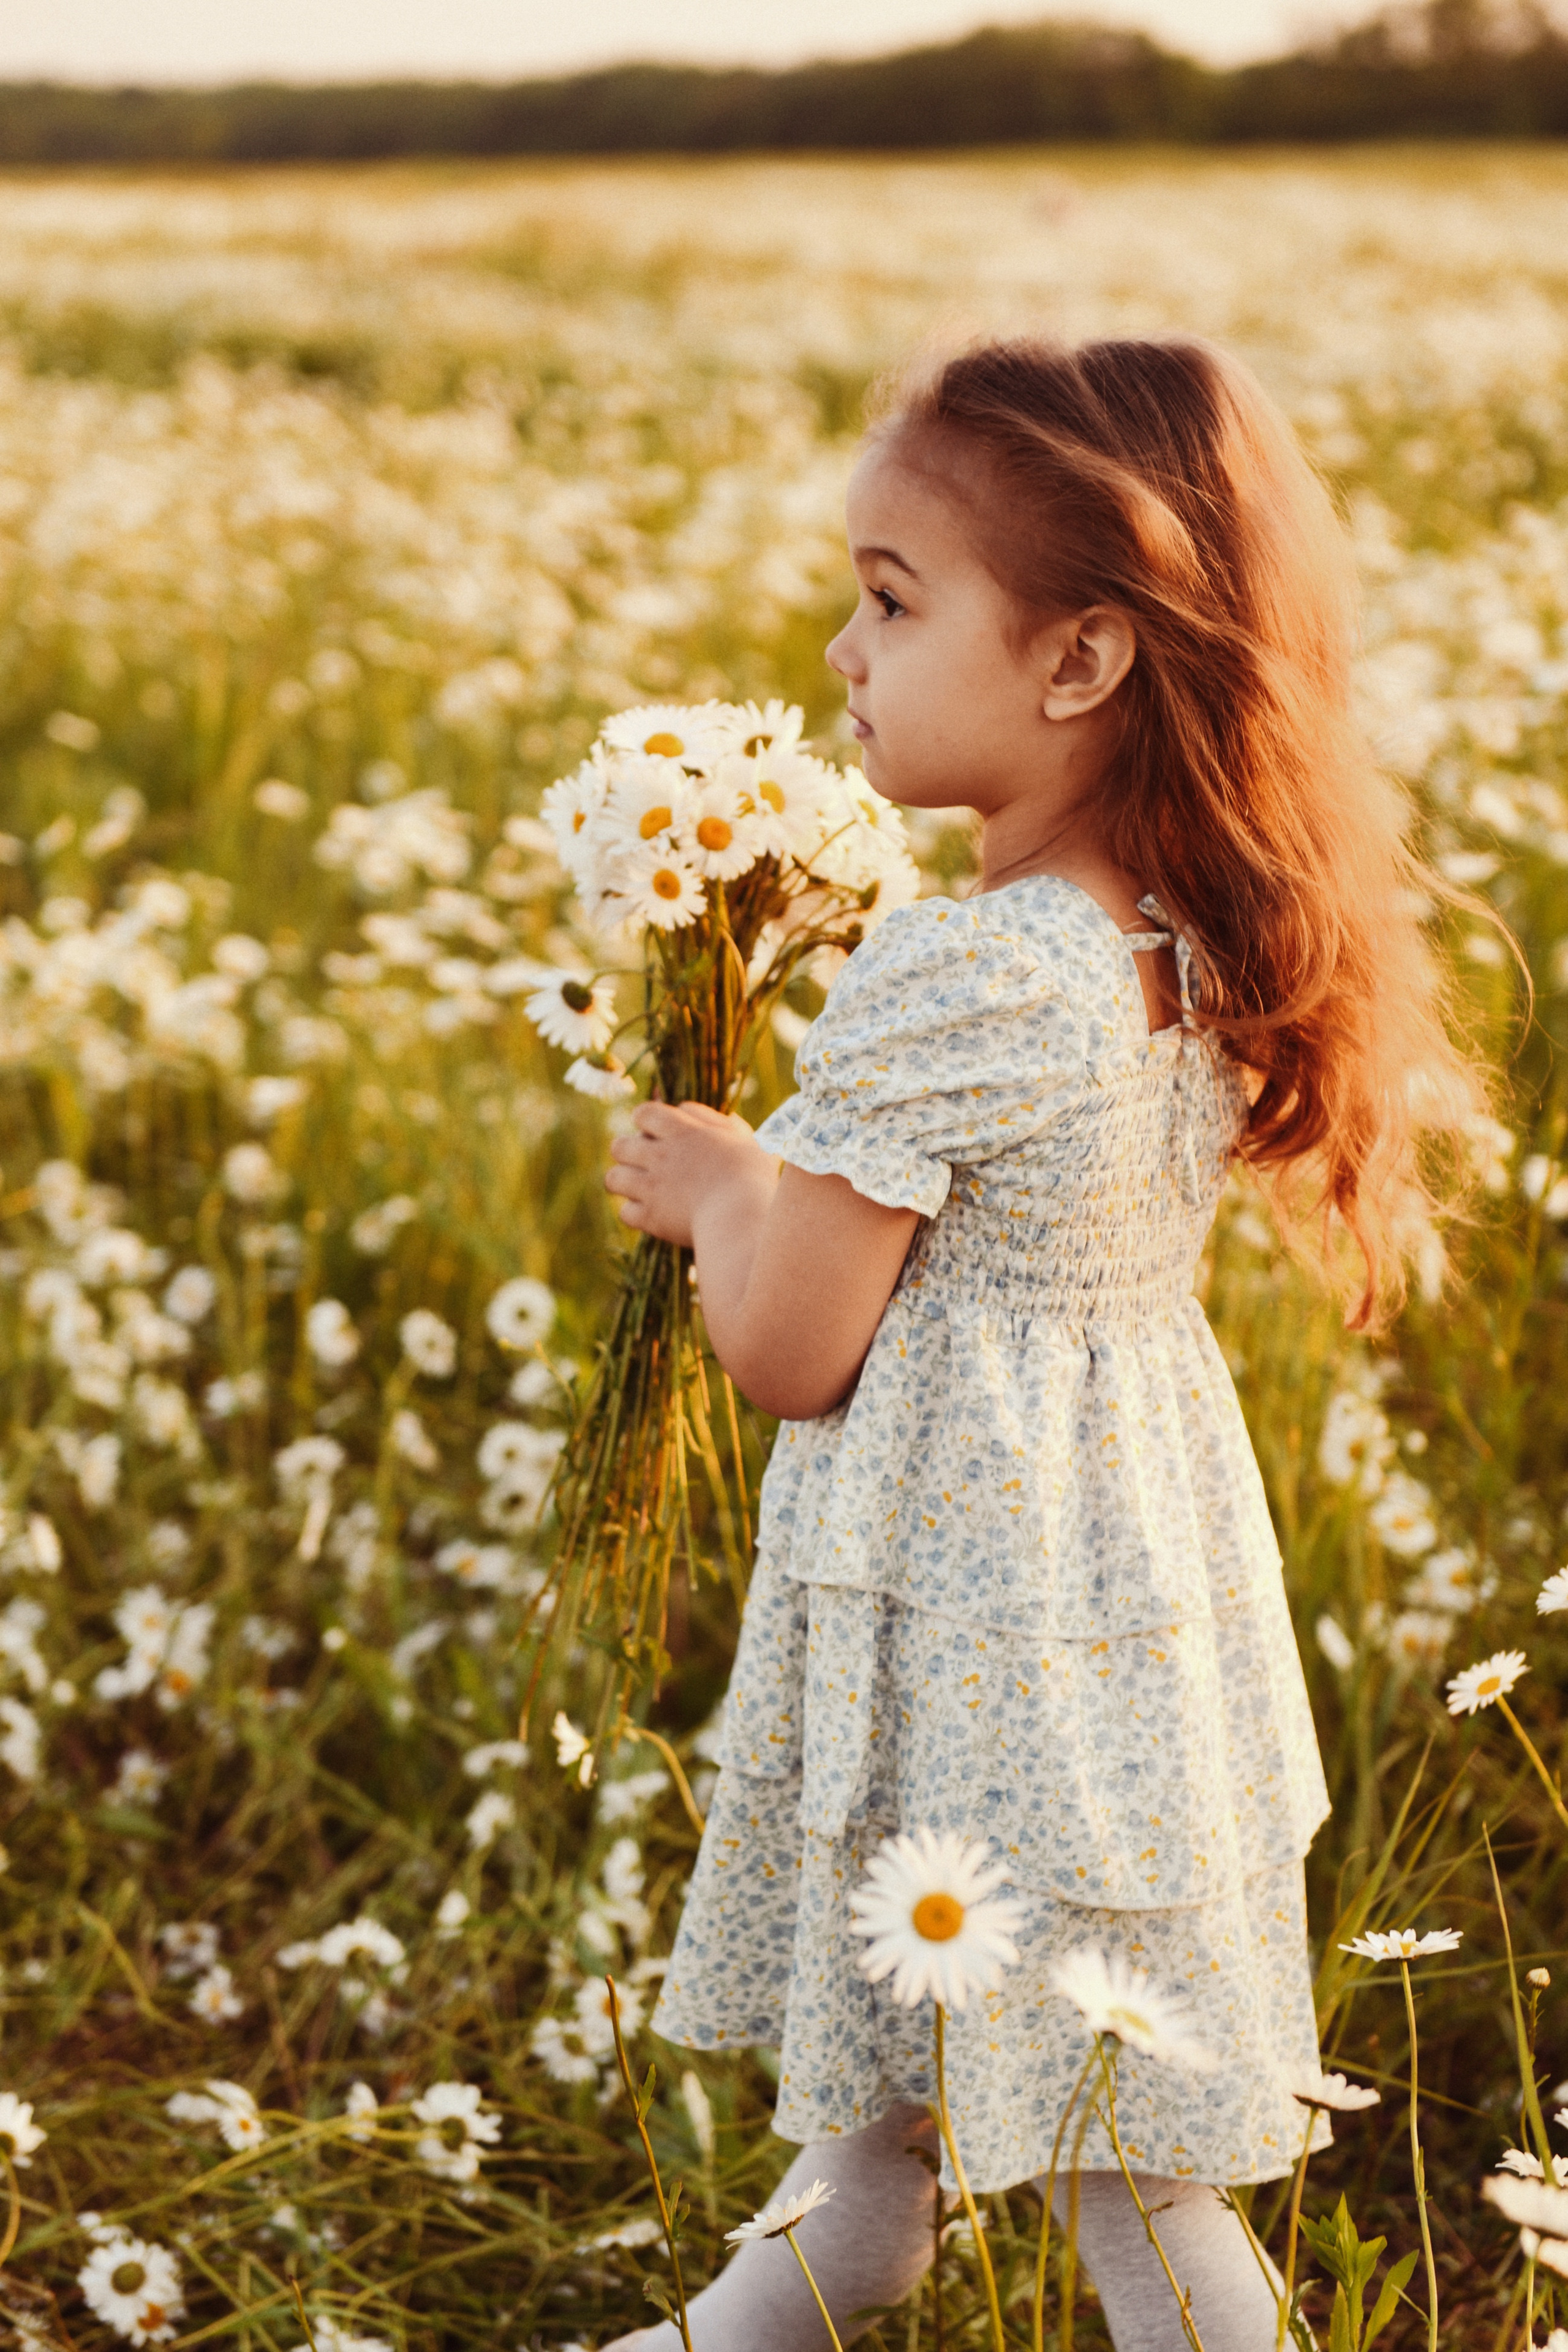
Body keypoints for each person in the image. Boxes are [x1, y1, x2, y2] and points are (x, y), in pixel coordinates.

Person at [598, 334, 1486, 2351]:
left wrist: (724, 1184)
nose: (841, 650)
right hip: (1122, 1608)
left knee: (1075, 2168)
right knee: (1022, 2144)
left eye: (893, 603)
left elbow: (793, 1350)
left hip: (968, 1624)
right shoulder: (1186, 933)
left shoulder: (955, 967)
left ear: (1082, 662)